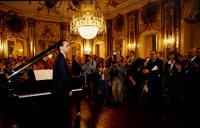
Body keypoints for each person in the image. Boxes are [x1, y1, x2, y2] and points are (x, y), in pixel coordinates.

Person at [52, 39, 72, 128]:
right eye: (67, 46)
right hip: (62, 91)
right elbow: (64, 77)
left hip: (61, 90)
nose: (69, 47)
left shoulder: (60, 58)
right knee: (64, 114)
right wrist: (69, 89)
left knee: (63, 113)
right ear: (61, 48)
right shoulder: (60, 59)